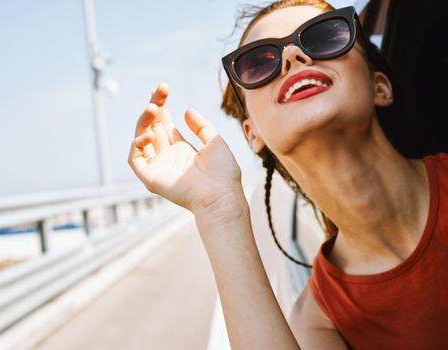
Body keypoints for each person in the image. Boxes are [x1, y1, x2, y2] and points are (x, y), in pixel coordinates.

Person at [128, 0, 448, 348]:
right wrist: (217, 208)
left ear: (380, 87)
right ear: (253, 135)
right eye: (258, 63)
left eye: (326, 37)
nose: (294, 56)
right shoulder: (321, 319)